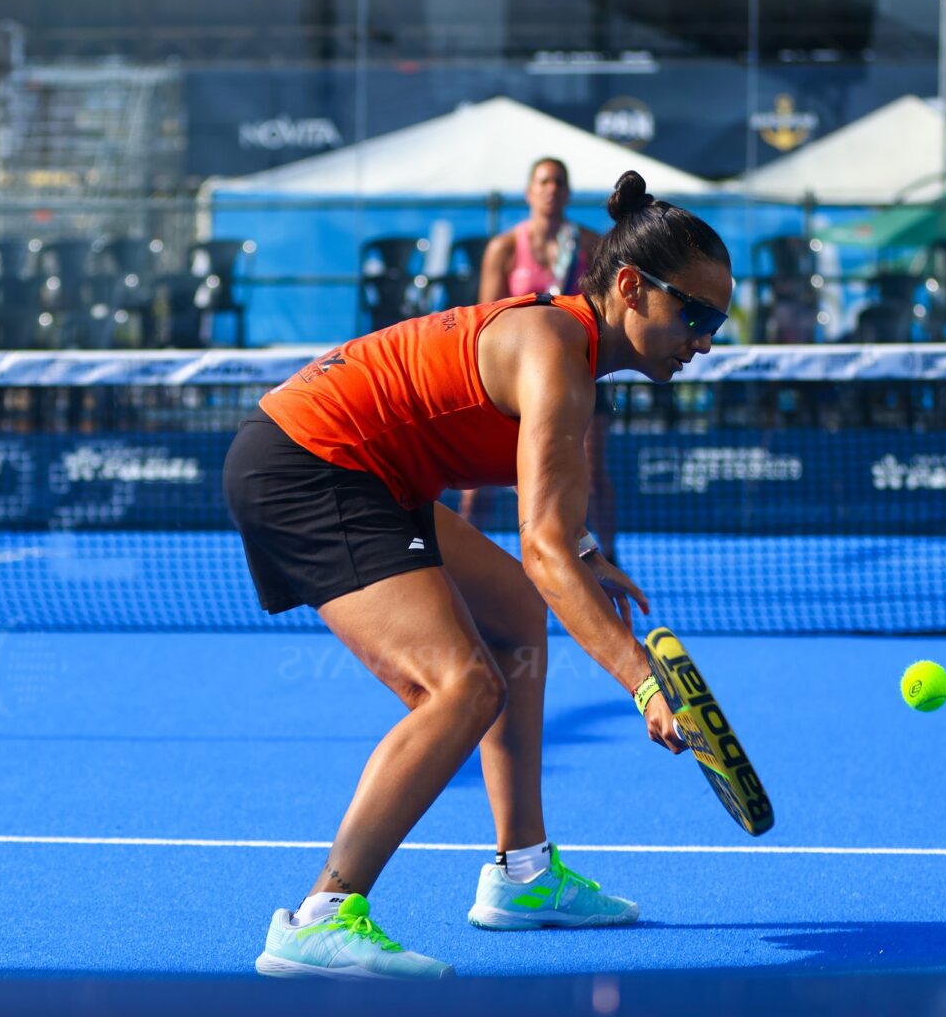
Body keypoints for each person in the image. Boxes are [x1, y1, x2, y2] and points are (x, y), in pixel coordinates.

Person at [223, 170, 732, 979]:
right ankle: (320, 918)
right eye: (696, 315)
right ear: (631, 288)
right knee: (461, 688)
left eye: (717, 324)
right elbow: (543, 549)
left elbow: (548, 515)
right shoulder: (555, 353)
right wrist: (645, 683)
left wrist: (584, 550)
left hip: (367, 469)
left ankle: (522, 873)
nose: (703, 341)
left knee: (514, 615)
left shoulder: (571, 356)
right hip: (310, 463)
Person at [462, 157, 617, 560]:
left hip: (578, 372)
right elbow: (487, 318)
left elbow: (606, 309)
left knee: (593, 474)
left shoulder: (590, 245)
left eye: (558, 182)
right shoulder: (504, 248)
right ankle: (463, 558)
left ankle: (609, 559)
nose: (551, 189)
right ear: (529, 192)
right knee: (478, 482)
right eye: (544, 182)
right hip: (517, 381)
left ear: (567, 193)